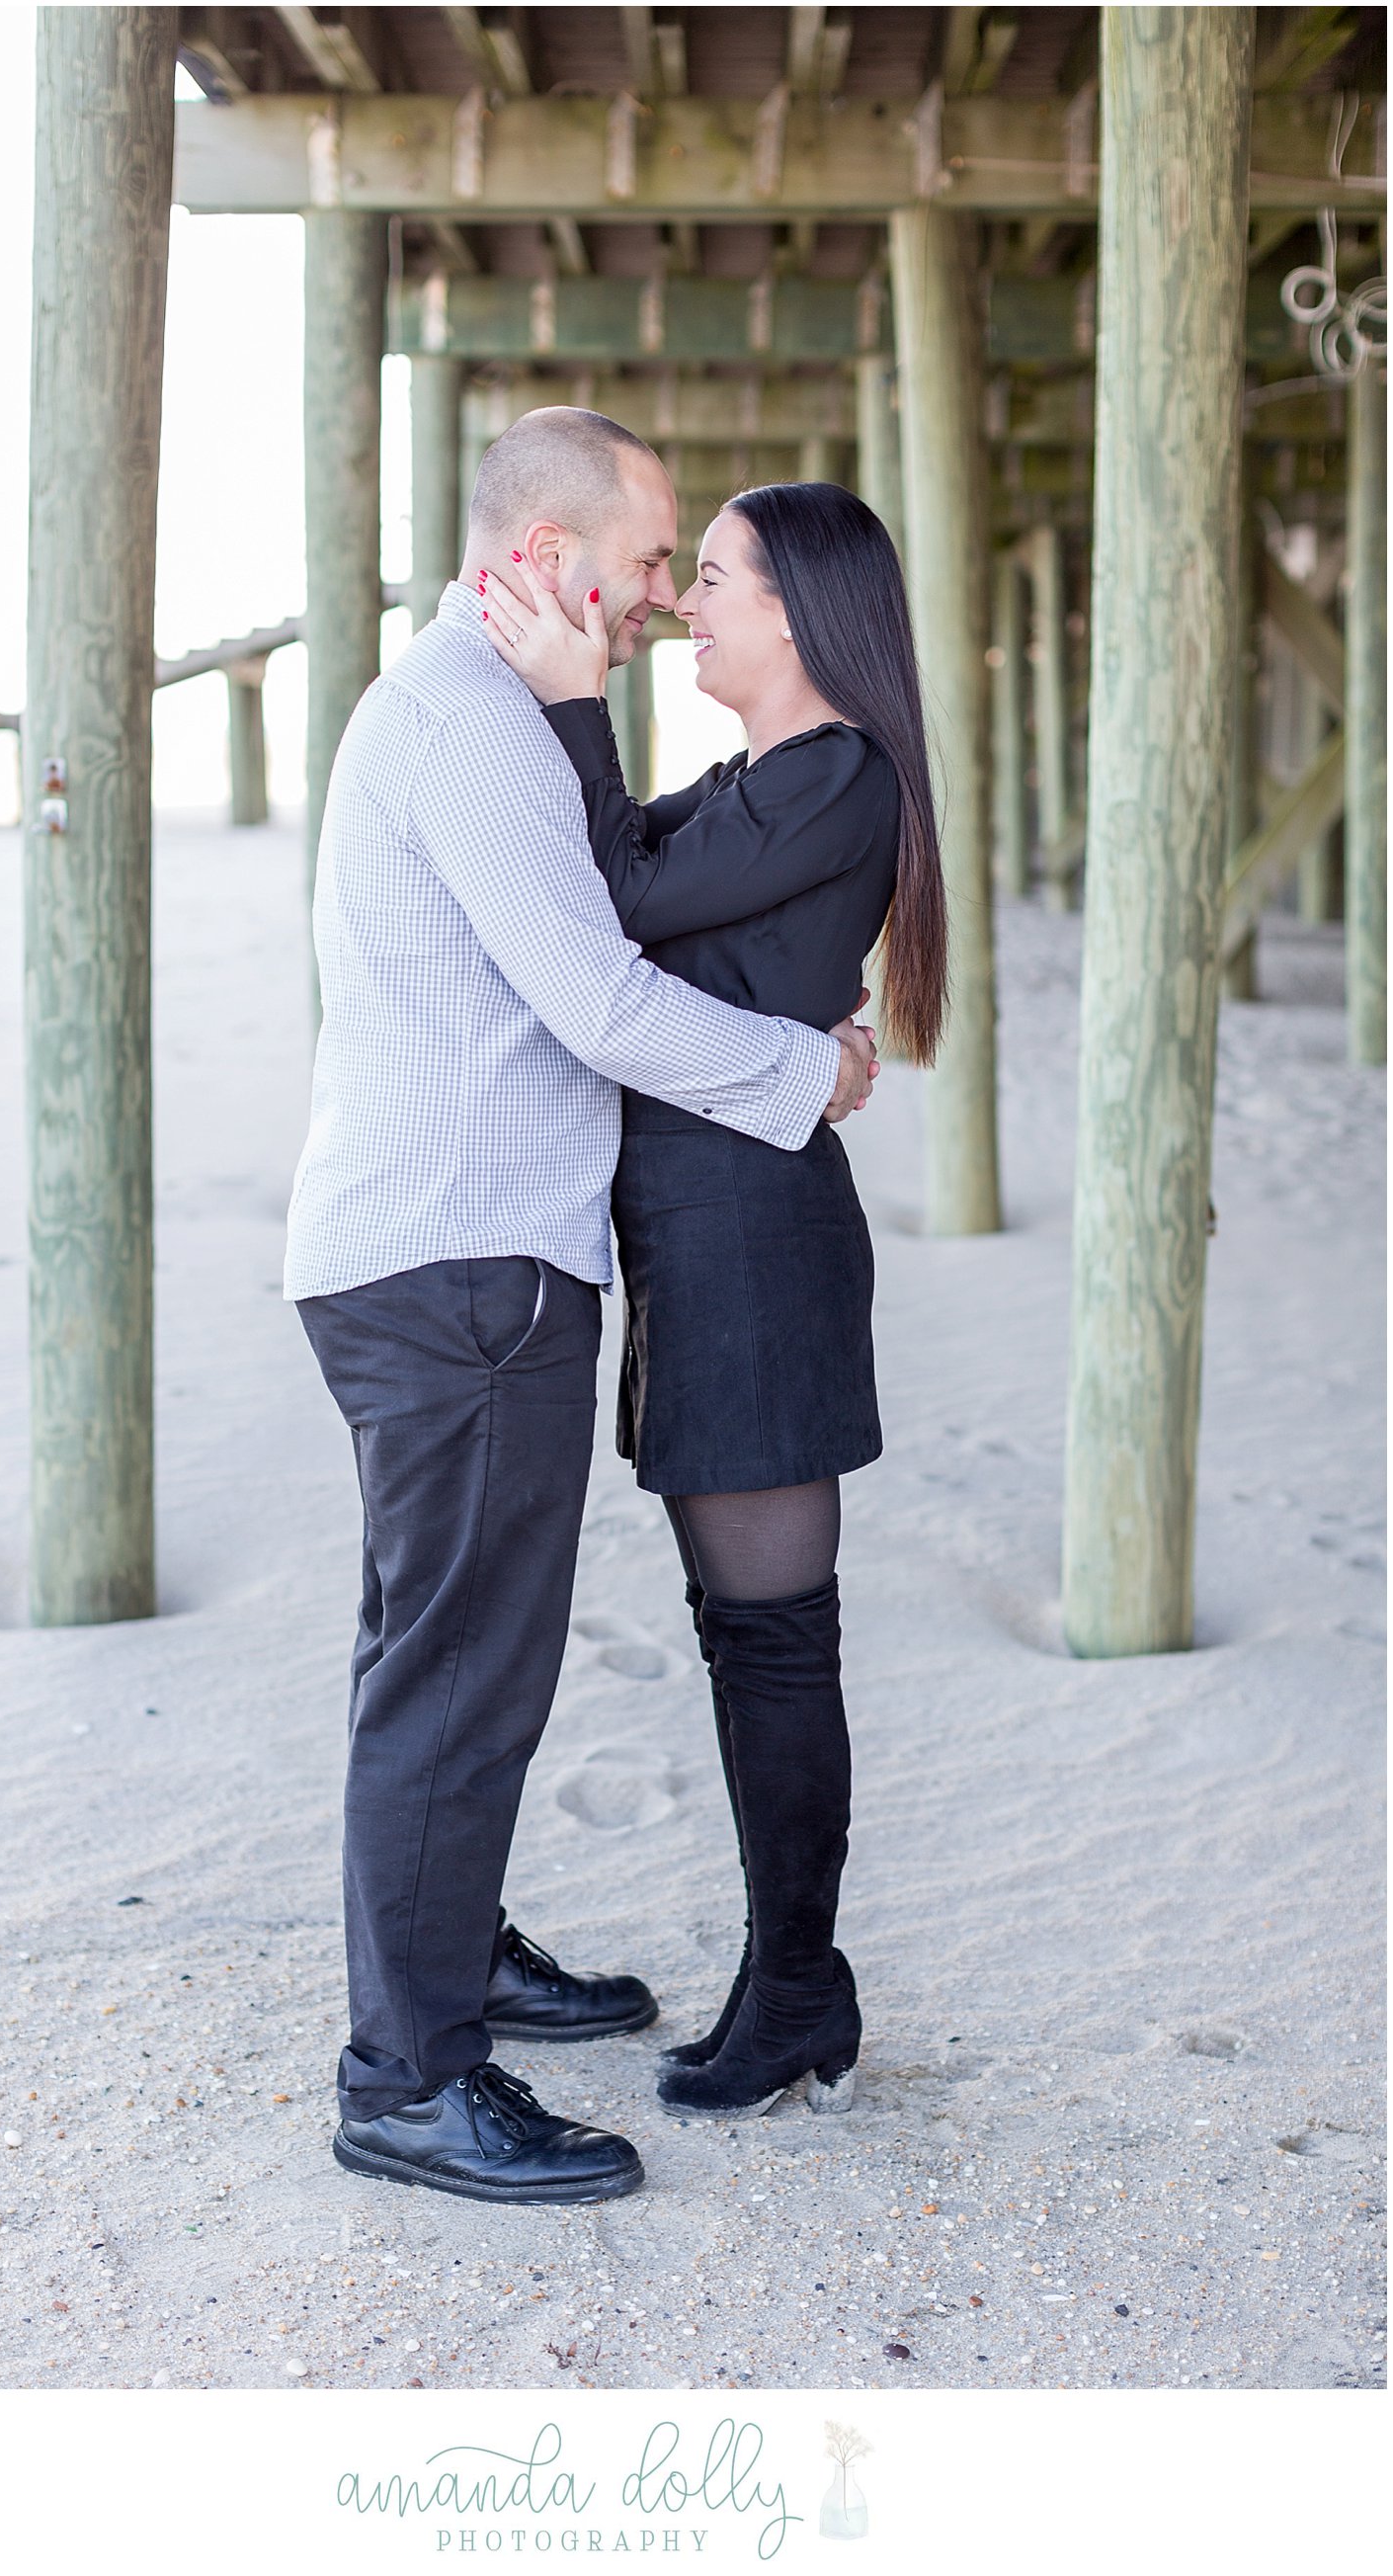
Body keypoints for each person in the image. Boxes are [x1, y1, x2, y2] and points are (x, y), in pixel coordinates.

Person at [285, 412, 878, 2205]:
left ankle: (449, 1968)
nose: (649, 602)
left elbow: (618, 905)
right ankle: (408, 2078)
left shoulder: (485, 711)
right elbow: (603, 1002)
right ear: (545, 556)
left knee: (445, 1659)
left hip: (467, 1255)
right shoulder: (473, 726)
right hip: (460, 1260)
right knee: (459, 1680)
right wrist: (807, 1072)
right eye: (642, 564)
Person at [479, 479, 948, 2119]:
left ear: (804, 617)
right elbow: (613, 873)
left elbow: (606, 891)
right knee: (742, 1639)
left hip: (753, 1254)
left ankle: (801, 1987)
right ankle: (790, 1979)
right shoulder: (762, 779)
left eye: (722, 578)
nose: (692, 603)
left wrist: (566, 695)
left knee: (769, 1645)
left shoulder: (838, 777)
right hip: (700, 1243)